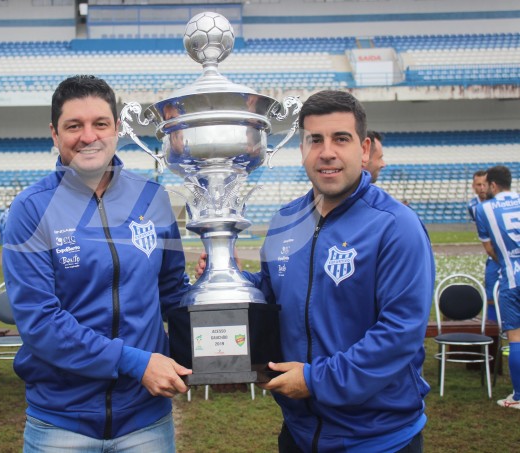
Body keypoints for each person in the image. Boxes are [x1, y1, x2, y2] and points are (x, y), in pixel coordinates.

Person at [198, 90, 434, 452]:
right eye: (315, 140)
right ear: (303, 149)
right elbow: (273, 295)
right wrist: (229, 280)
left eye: (341, 139)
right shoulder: (286, 221)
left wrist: (315, 380)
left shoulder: (395, 226)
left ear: (364, 149)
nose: (327, 152)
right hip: (298, 434)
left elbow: (399, 334)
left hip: (377, 439)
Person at [2, 75, 192, 452]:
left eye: (100, 124)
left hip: (145, 421)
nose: (88, 136)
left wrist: (220, 289)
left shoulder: (152, 199)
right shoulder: (30, 209)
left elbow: (173, 294)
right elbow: (40, 323)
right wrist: (134, 362)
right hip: (61, 423)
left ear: (117, 130)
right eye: (74, 126)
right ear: (55, 134)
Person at [475, 165, 520, 410]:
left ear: (492, 185)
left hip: (511, 279)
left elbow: (490, 249)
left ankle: (518, 395)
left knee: (515, 338)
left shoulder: (483, 209)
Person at [468, 170, 501, 321]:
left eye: (484, 184)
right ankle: (492, 326)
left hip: (507, 252)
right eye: (478, 184)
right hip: (493, 253)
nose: (481, 188)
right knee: (490, 289)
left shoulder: (499, 202)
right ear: (473, 186)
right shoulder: (472, 206)